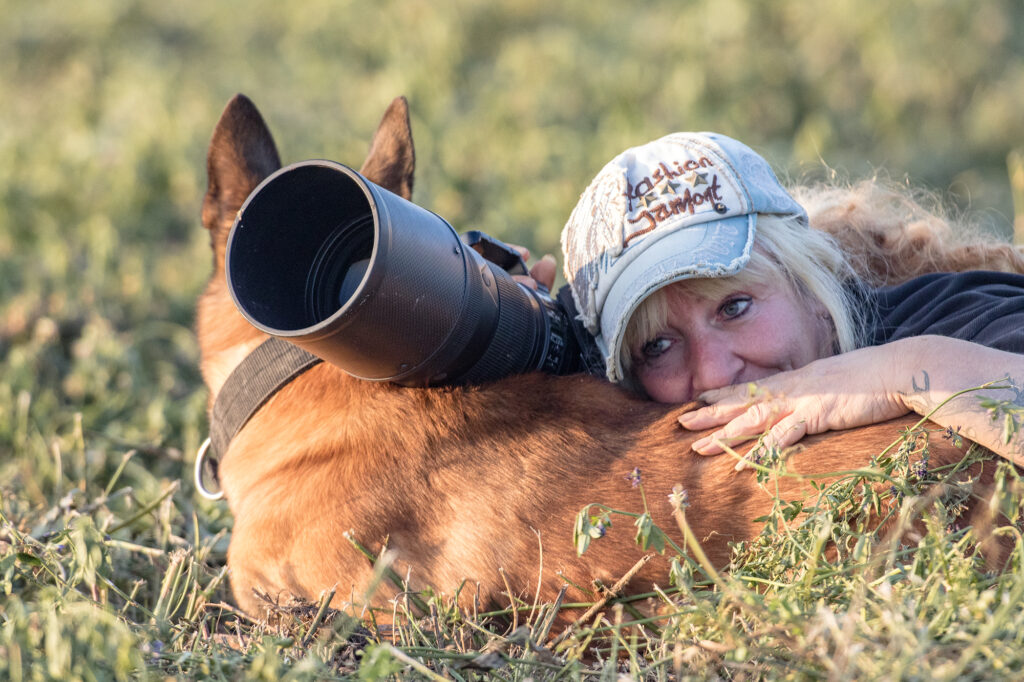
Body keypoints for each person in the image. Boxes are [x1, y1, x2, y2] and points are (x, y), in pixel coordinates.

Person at [525, 132, 1024, 463]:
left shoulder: (944, 316)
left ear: (810, 284)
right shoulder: (633, 386)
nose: (716, 373)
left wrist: (897, 371)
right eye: (658, 346)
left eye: (734, 307)